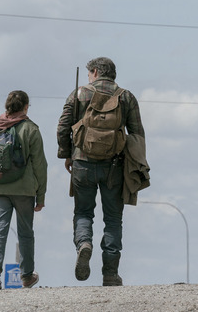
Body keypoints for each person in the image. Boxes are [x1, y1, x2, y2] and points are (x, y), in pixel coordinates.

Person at [57, 57, 146, 286]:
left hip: (82, 163)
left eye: (89, 73)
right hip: (114, 166)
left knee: (84, 213)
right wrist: (136, 165)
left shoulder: (79, 94)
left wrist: (67, 153)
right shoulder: (126, 97)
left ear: (95, 72)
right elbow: (137, 134)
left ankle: (84, 244)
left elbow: (63, 126)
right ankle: (110, 273)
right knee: (113, 219)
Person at [0, 90, 47, 290]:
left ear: (7, 106)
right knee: (25, 232)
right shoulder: (30, 129)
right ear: (26, 106)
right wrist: (41, 195)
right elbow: (40, 165)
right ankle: (26, 276)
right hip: (24, 189)